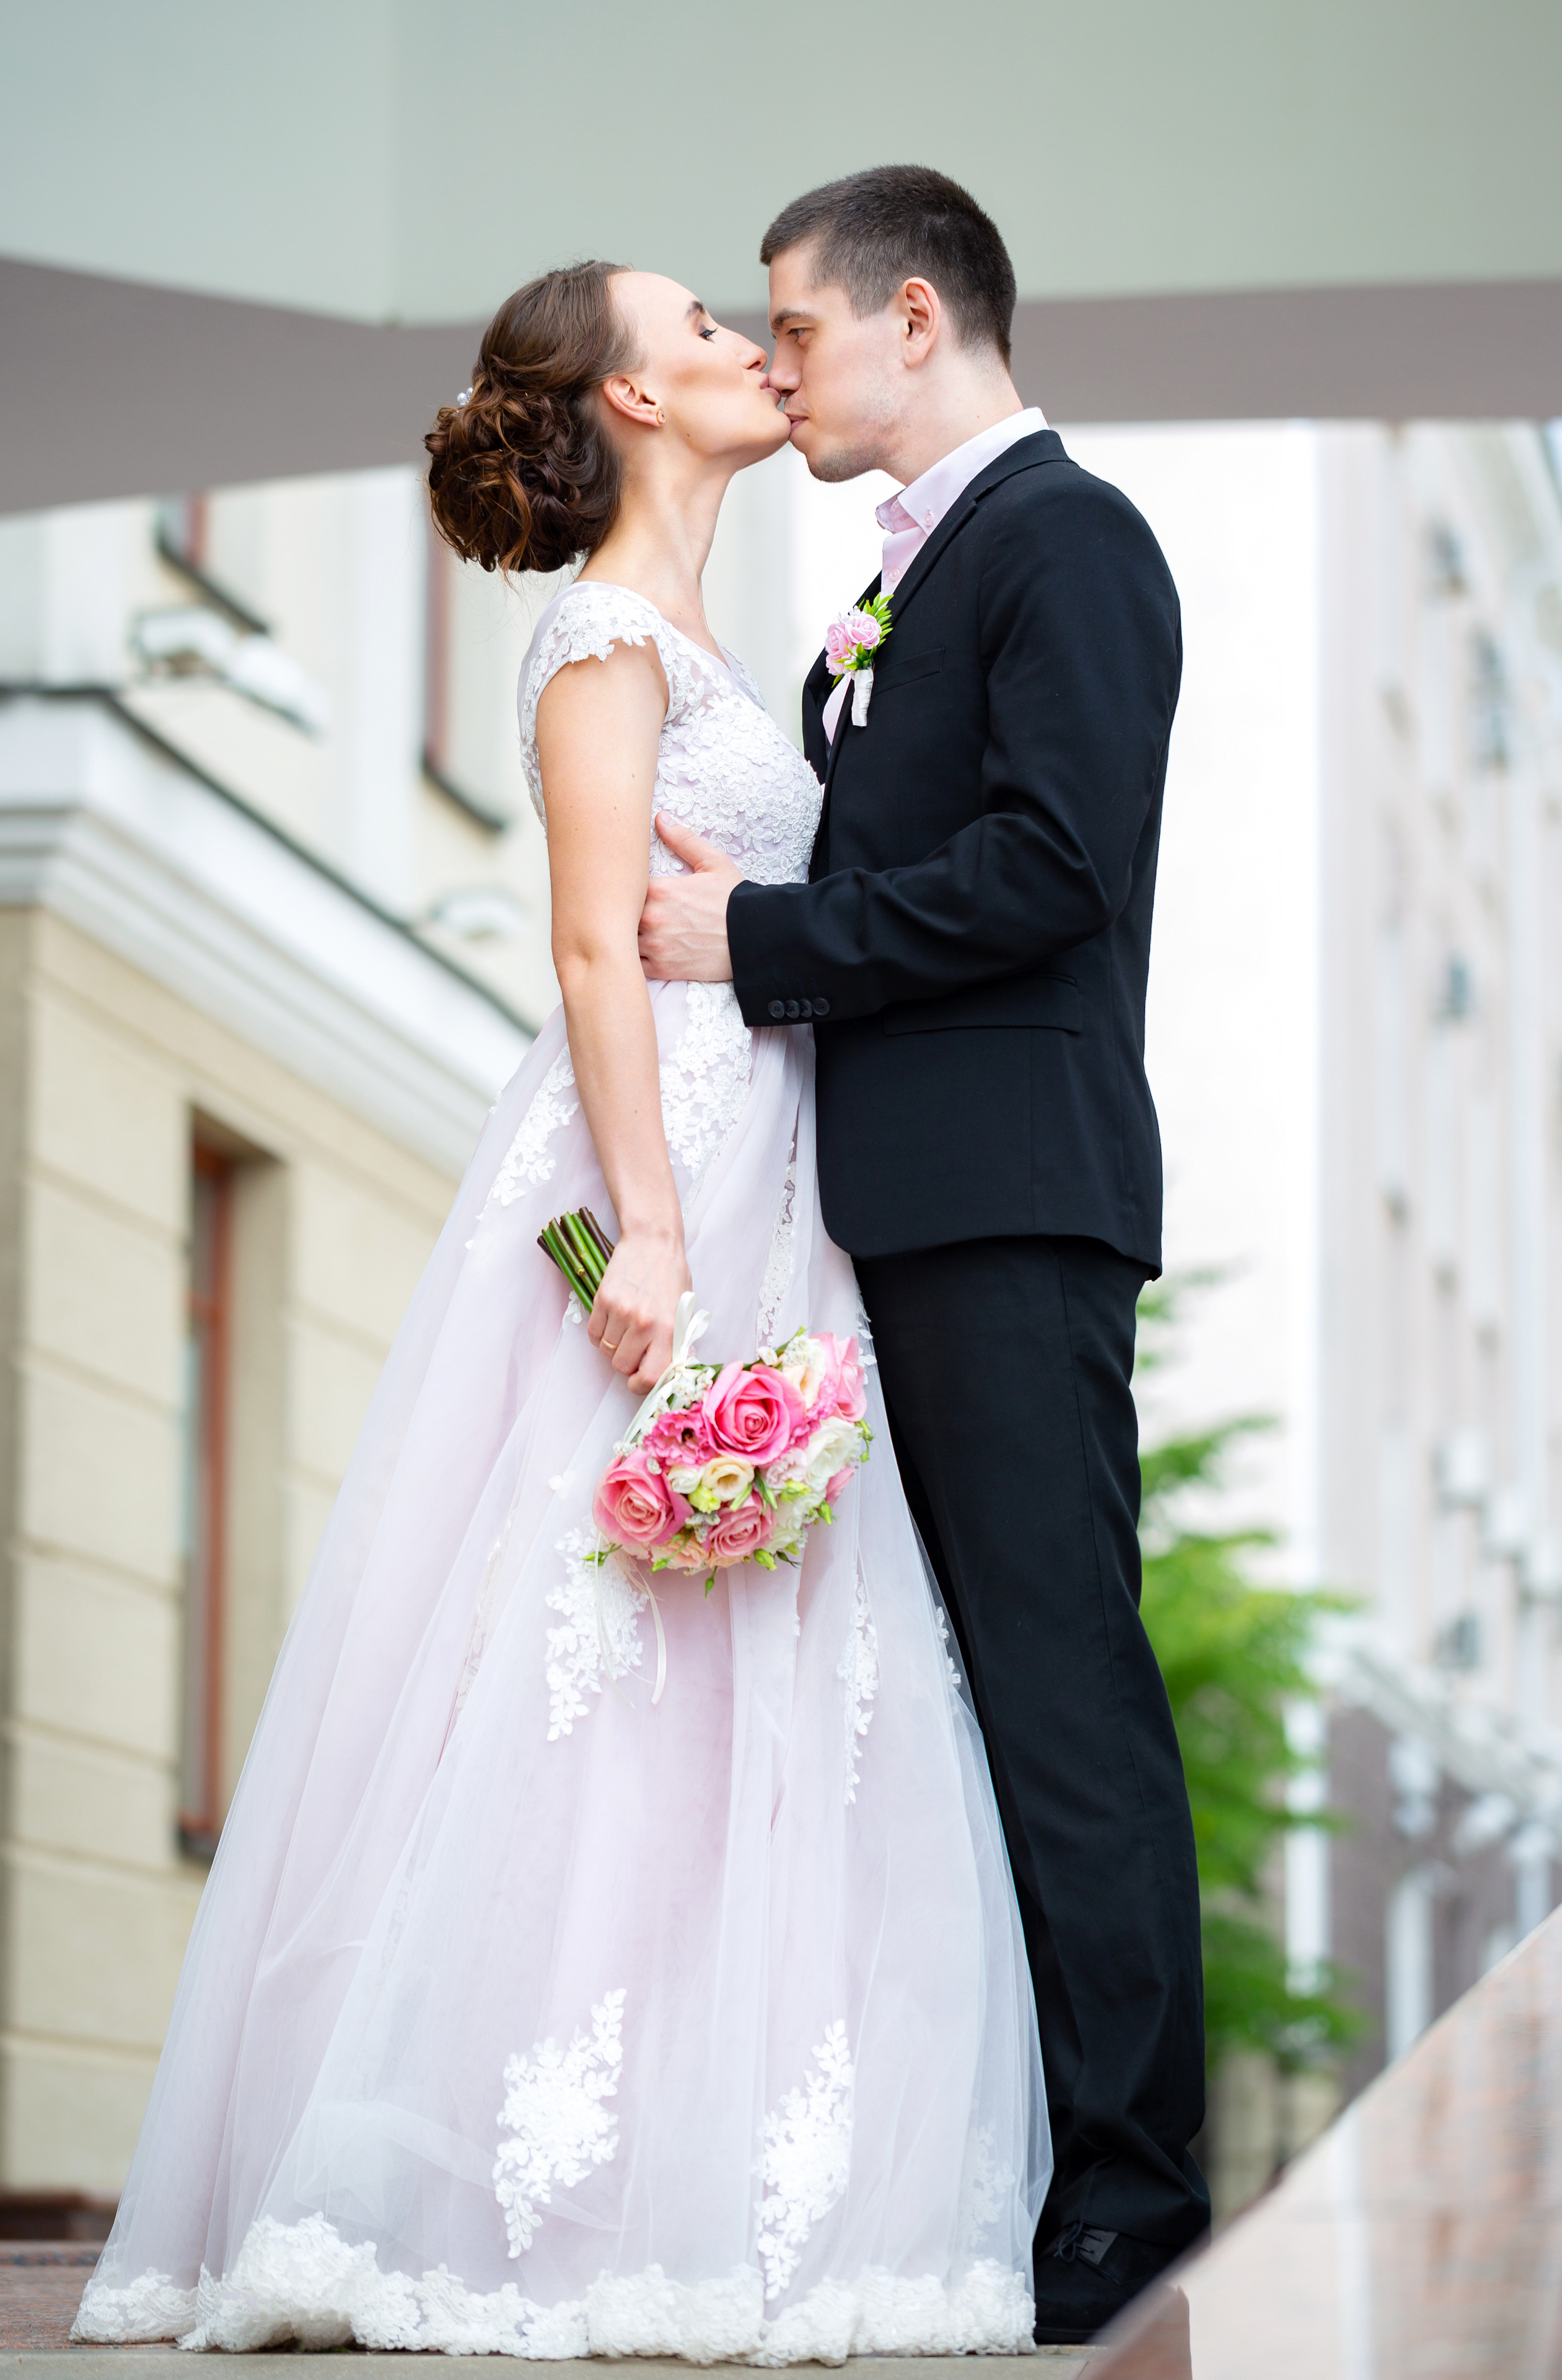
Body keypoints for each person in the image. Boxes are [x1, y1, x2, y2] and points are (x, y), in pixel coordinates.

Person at [71, 258, 1050, 2362]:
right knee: (587, 1638)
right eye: (705, 319)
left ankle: (714, 2160)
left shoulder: (738, 645)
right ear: (628, 389)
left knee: (765, 1658)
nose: (744, 344)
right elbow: (597, 960)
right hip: (661, 1169)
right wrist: (654, 1240)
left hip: (789, 1173)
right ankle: (519, 2179)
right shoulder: (601, 637)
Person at [638, 166, 1211, 2344]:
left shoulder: (1068, 541)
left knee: (1060, 1696)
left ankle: (1137, 2207)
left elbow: (1059, 867)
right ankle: (1013, 2163)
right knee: (958, 1707)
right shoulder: (910, 570)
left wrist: (761, 939)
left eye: (792, 325)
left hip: (1009, 1197)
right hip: (892, 1203)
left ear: (908, 312)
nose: (776, 365)